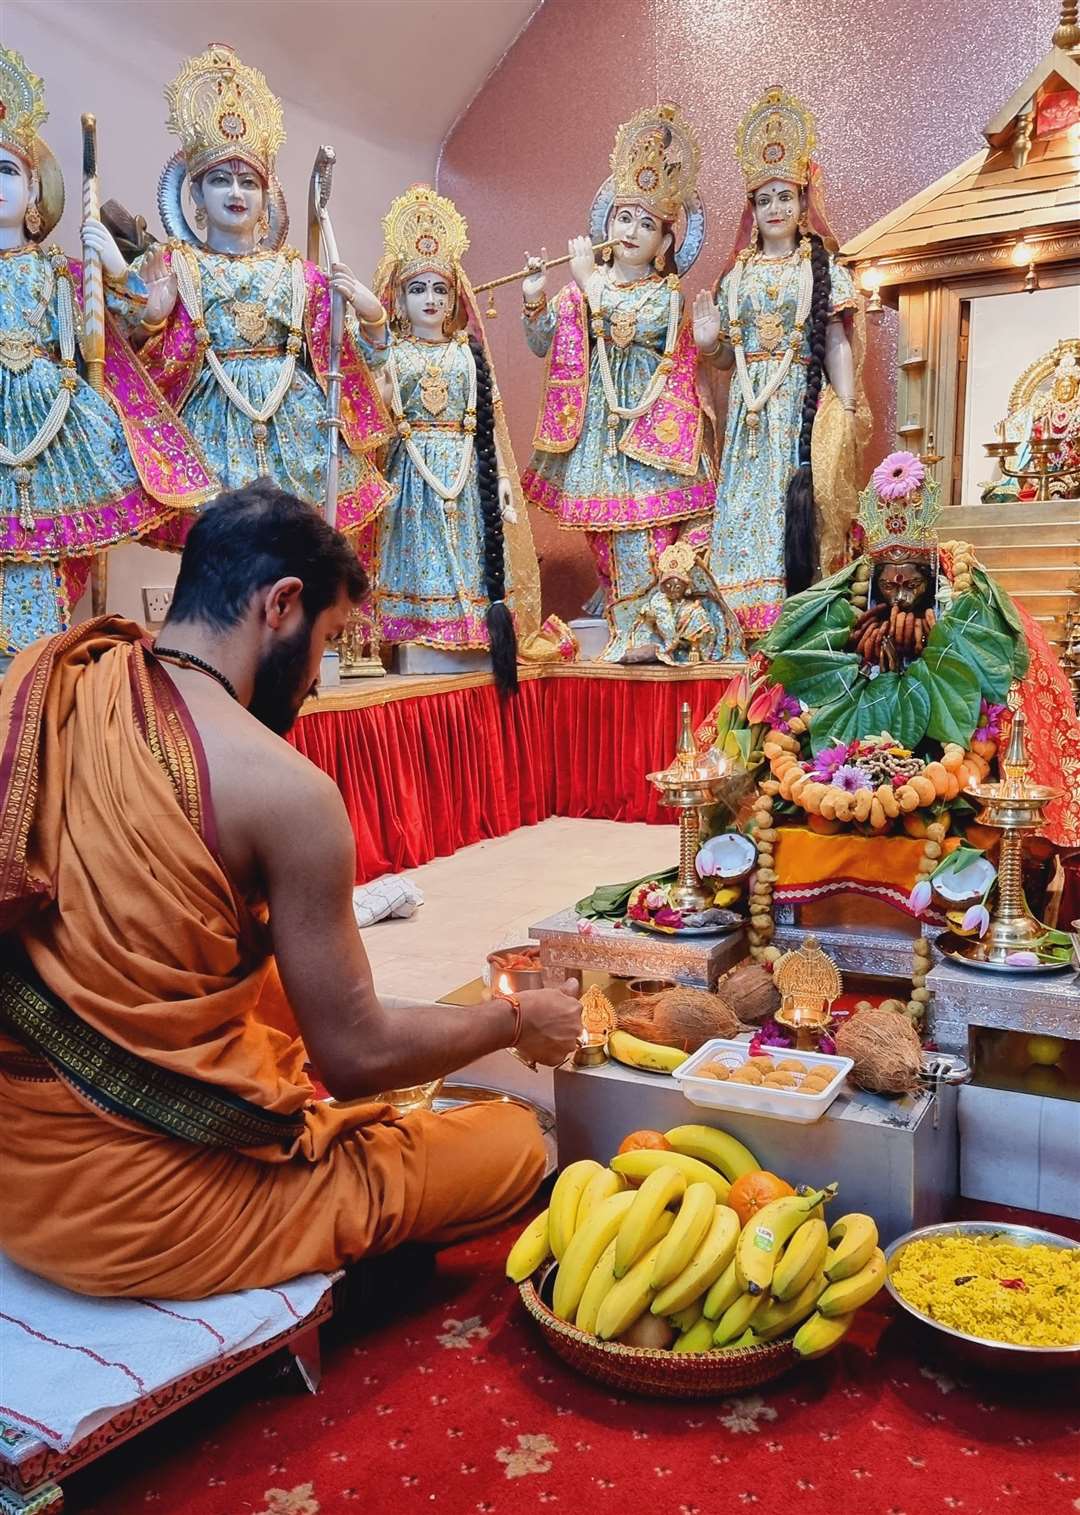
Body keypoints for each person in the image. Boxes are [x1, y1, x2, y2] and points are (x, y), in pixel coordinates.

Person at [0, 479, 582, 1299]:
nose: (315, 677)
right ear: (282, 604)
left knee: (270, 974)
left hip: (18, 1172)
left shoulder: (63, 689)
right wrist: (517, 1018)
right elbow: (357, 1056)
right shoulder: (287, 790)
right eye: (330, 636)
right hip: (149, 1208)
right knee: (511, 1141)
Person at [0, 45, 213, 656]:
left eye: (9, 169)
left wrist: (118, 269)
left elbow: (148, 315)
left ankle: (39, 662)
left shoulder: (66, 274)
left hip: (53, 419)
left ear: (37, 191)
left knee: (46, 554)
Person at [519, 103, 716, 660]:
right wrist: (536, 295)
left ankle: (650, 632)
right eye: (625, 216)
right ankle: (621, 625)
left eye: (647, 223)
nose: (632, 231)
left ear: (665, 243)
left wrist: (587, 281)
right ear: (606, 222)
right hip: (598, 438)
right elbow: (542, 342)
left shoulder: (664, 295)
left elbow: (629, 329)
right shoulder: (582, 289)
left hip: (650, 440)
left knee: (648, 538)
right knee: (605, 542)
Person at [692, 87, 869, 637]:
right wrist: (707, 344)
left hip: (798, 406)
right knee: (743, 506)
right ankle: (738, 618)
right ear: (752, 207)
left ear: (801, 201)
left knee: (796, 505)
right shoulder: (736, 274)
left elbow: (836, 341)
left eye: (784, 197)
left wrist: (844, 409)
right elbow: (724, 359)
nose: (774, 209)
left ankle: (796, 614)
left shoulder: (821, 270)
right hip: (748, 414)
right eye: (763, 199)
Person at [368, 185, 540, 690]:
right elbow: (374, 421)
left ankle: (469, 635)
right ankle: (420, 637)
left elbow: (491, 423)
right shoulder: (392, 354)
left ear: (455, 298)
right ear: (398, 299)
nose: (430, 300)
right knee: (416, 555)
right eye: (417, 289)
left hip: (466, 478)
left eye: (440, 290)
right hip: (411, 477)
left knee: (468, 557)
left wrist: (504, 479)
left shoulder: (467, 354)